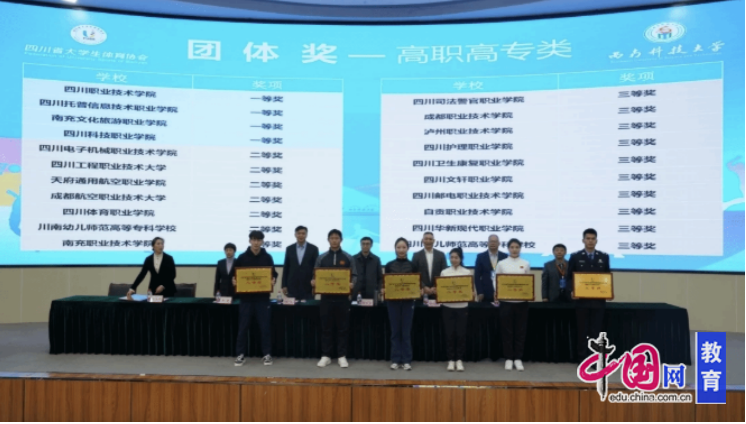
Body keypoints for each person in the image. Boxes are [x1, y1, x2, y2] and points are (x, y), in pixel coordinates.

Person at [231, 231, 278, 367]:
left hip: (263, 299)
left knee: (265, 327)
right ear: (250, 241)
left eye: (258, 240)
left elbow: (273, 273)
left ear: (262, 241)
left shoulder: (267, 257)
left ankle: (267, 354)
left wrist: (273, 280)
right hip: (246, 299)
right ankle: (240, 354)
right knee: (243, 327)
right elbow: (235, 274)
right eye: (253, 239)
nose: (256, 242)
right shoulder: (242, 257)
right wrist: (234, 281)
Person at [312, 229, 357, 368]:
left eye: (337, 238)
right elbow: (315, 275)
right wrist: (314, 281)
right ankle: (326, 355)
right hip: (326, 298)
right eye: (332, 238)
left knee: (342, 328)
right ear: (328, 240)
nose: (334, 240)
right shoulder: (321, 258)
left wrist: (352, 284)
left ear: (341, 240)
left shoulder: (348, 257)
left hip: (342, 299)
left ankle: (341, 356)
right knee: (326, 328)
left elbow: (354, 275)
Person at [568, 228, 610, 361]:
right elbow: (569, 278)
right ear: (583, 240)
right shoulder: (575, 256)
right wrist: (572, 291)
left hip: (598, 301)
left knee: (596, 331)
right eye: (588, 239)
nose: (590, 241)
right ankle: (582, 359)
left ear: (596, 241)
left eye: (593, 239)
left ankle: (594, 359)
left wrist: (608, 291)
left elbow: (607, 277)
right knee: (582, 331)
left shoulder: (604, 257)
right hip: (581, 301)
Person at [381, 238, 419, 371]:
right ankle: (396, 359)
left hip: (408, 302)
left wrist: (419, 288)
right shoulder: (389, 265)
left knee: (406, 332)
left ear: (407, 249)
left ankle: (407, 360)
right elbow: (384, 282)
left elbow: (417, 281)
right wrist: (383, 289)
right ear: (395, 249)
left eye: (403, 247)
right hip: (393, 302)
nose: (401, 250)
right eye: (399, 247)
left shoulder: (412, 265)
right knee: (395, 331)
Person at [495, 238, 531, 372]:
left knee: (520, 331)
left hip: (522, 303)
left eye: (517, 247)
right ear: (508, 248)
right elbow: (496, 280)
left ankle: (518, 358)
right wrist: (498, 293)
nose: (514, 249)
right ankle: (509, 358)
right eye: (512, 247)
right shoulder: (502, 263)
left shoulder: (525, 263)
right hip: (506, 303)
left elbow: (528, 282)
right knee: (507, 331)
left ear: (520, 248)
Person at [438, 247, 473, 372]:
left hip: (462, 307)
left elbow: (470, 290)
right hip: (448, 307)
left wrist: (471, 294)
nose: (454, 259)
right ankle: (451, 360)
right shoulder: (444, 272)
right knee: (449, 334)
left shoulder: (467, 272)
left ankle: (459, 359)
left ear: (461, 258)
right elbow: (441, 290)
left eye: (456, 257)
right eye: (452, 257)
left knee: (461, 334)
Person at [281, 226, 319, 300]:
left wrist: (315, 286)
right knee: (292, 307)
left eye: (303, 233)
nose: (301, 235)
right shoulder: (289, 249)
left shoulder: (313, 249)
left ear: (306, 235)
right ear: (295, 234)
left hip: (308, 286)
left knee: (308, 307)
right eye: (299, 233)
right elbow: (286, 267)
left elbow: (316, 269)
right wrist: (284, 285)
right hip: (292, 286)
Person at [474, 234, 509, 302]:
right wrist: (480, 292)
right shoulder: (480, 257)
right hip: (485, 293)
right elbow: (477, 276)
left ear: (499, 243)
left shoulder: (505, 256)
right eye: (491, 241)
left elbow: (507, 275)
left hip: (501, 292)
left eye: (495, 241)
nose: (493, 243)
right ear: (487, 243)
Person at [411, 232, 447, 298]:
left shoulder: (441, 255)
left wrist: (436, 286)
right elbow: (414, 273)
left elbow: (444, 272)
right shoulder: (416, 255)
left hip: (437, 292)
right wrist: (423, 286)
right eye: (426, 239)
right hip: (422, 292)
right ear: (422, 240)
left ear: (434, 241)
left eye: (430, 239)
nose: (428, 241)